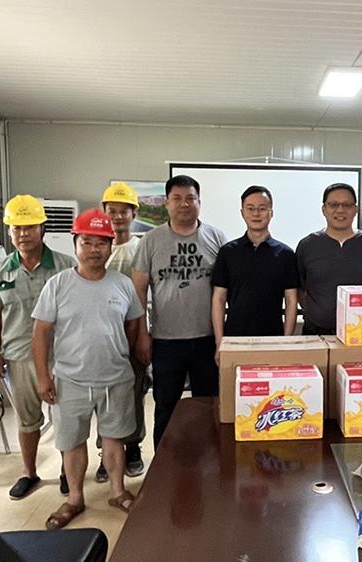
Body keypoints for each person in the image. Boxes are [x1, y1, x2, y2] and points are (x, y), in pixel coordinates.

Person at [32, 209, 145, 528]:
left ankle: (118, 491)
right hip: (70, 380)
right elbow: (41, 331)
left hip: (116, 379)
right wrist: (43, 377)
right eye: (87, 242)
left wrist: (119, 351)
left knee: (114, 438)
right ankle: (74, 498)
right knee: (72, 442)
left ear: (111, 246)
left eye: (102, 243)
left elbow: (134, 322)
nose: (95, 249)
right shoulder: (58, 285)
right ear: (75, 244)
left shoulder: (122, 284)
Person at [0, 194, 75, 500]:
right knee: (26, 419)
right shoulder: (1, 270)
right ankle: (29, 473)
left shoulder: (65, 265)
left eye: (29, 227)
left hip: (61, 355)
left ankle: (67, 471)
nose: (23, 233)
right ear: (9, 231)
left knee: (65, 418)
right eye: (17, 228)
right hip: (19, 356)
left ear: (42, 228)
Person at [131, 175, 228, 448]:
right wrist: (142, 335)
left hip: (207, 339)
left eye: (190, 198)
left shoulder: (217, 238)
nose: (184, 204)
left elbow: (225, 290)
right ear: (167, 203)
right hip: (166, 341)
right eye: (177, 198)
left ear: (199, 202)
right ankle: (164, 465)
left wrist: (222, 340)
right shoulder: (150, 240)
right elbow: (139, 292)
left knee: (208, 406)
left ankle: (208, 461)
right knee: (165, 407)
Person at [93, 182, 148, 483]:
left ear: (133, 214)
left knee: (133, 392)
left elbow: (145, 296)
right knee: (103, 396)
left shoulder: (141, 248)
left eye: (123, 211)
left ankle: (133, 447)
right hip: (101, 337)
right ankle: (107, 452)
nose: (116, 217)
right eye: (111, 211)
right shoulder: (95, 247)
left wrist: (142, 336)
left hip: (132, 330)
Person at [211, 185, 298, 347]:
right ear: (242, 212)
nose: (256, 214)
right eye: (250, 208)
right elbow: (219, 298)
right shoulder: (228, 252)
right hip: (234, 339)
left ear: (271, 212)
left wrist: (286, 342)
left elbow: (291, 300)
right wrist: (219, 342)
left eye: (262, 208)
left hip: (273, 339)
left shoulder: (285, 254)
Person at [295, 183, 362, 335]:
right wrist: (315, 313)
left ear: (356, 209)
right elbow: (300, 289)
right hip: (315, 332)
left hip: (359, 332)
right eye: (333, 205)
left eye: (347, 205)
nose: (340, 210)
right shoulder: (307, 245)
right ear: (324, 209)